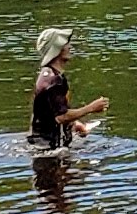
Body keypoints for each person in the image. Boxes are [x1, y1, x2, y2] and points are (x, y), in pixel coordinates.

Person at [28, 24, 108, 152]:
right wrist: (91, 108)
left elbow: (52, 111)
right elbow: (61, 116)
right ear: (57, 49)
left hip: (45, 145)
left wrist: (75, 123)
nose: (69, 47)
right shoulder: (53, 80)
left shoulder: (50, 75)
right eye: (65, 44)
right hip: (47, 147)